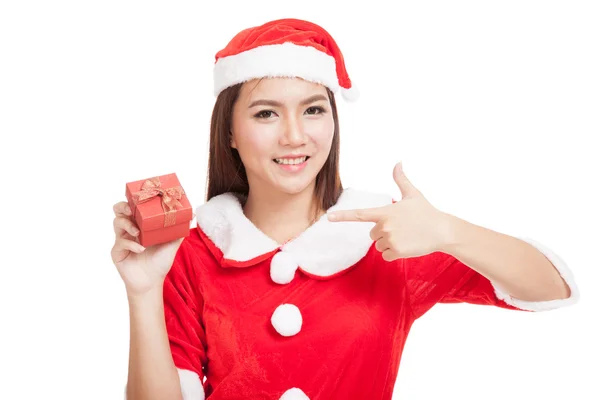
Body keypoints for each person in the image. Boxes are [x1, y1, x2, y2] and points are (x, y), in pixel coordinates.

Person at [112, 18, 579, 400]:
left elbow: (552, 287)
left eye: (314, 110)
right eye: (266, 113)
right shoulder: (192, 252)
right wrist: (143, 292)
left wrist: (446, 230)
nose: (295, 136)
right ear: (229, 132)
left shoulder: (386, 234)